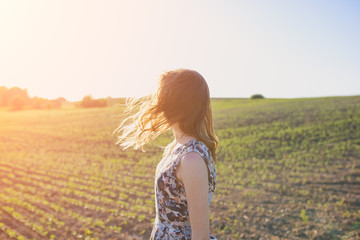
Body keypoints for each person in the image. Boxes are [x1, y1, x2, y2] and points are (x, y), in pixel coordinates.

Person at [114, 69, 219, 240]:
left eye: (161, 97)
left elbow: (200, 235)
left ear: (174, 103)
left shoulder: (191, 158)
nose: (157, 103)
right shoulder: (176, 147)